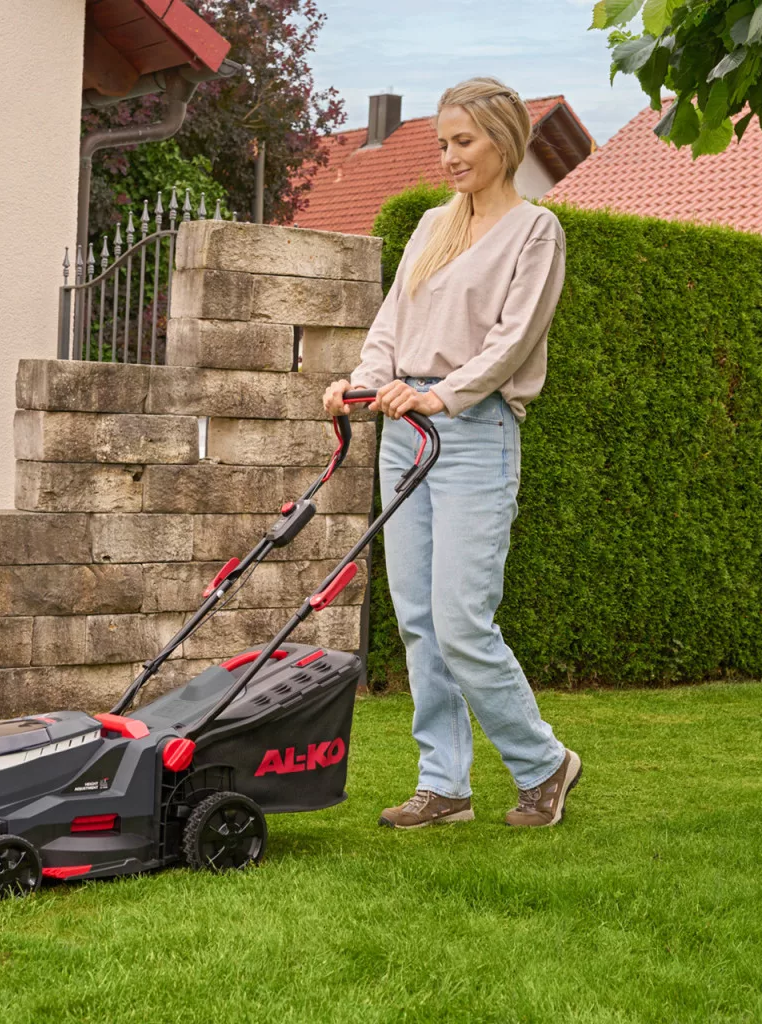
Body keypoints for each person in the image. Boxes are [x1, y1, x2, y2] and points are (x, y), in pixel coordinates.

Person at [323, 77, 581, 829]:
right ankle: (444, 786)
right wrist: (360, 383)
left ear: (503, 141)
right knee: (417, 619)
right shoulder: (432, 225)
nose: (448, 156)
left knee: (462, 619)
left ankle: (544, 763)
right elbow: (389, 325)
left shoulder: (536, 231)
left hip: (473, 429)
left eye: (462, 141)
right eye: (443, 143)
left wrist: (444, 396)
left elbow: (514, 339)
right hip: (403, 426)